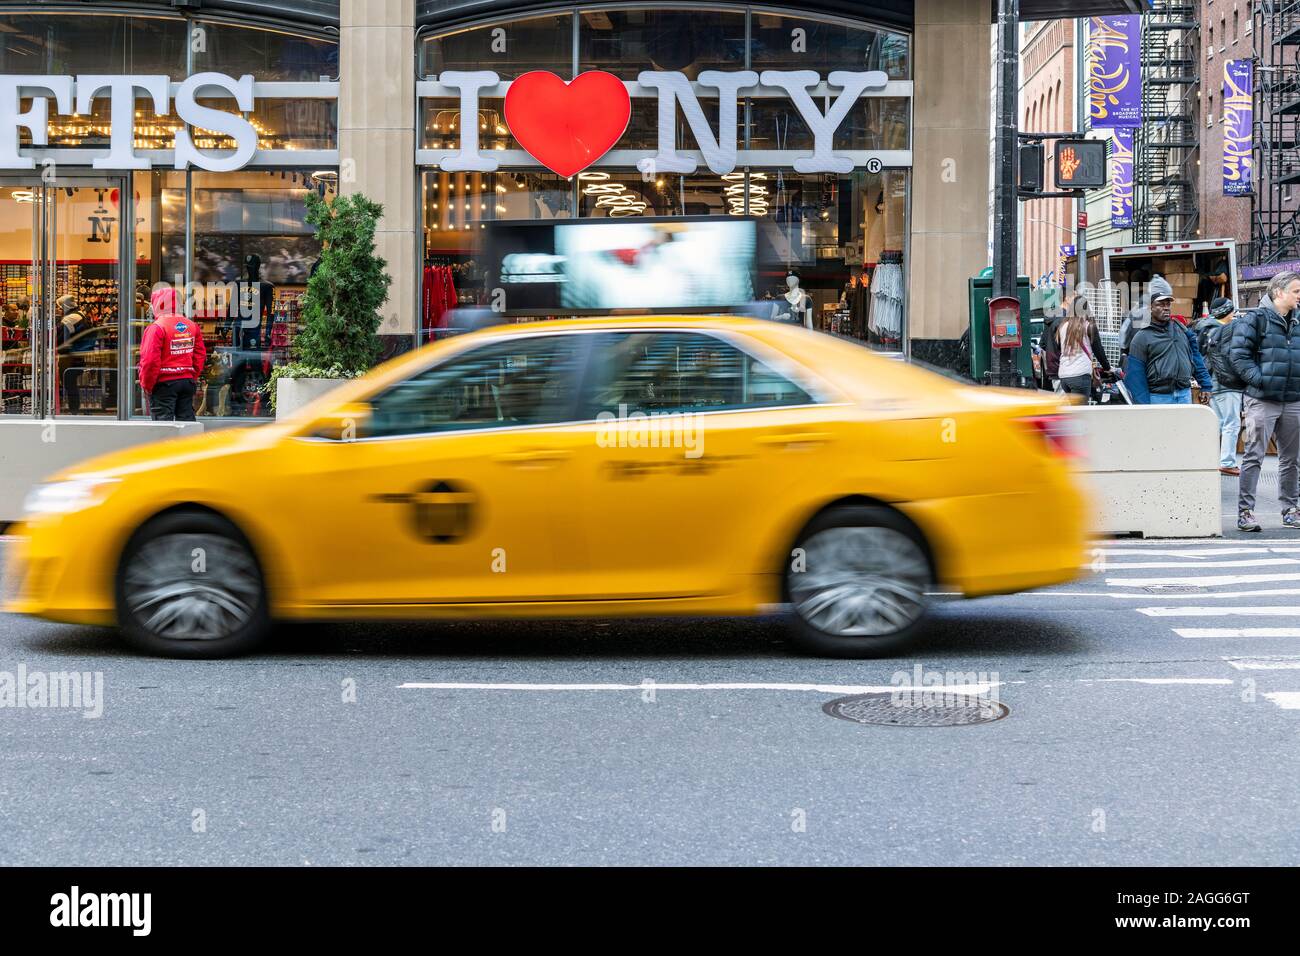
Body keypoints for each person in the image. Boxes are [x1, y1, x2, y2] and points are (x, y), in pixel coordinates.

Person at [1229, 271, 1300, 532]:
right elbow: (1238, 356)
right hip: (1262, 400)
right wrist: (1260, 380)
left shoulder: (1297, 320)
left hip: (1293, 399)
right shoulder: (1255, 319)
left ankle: (1290, 510)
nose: (1299, 295)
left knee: (1291, 459)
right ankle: (1245, 512)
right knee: (1254, 456)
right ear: (1278, 292)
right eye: (1296, 291)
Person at [1123, 275, 1212, 405]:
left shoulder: (1182, 330)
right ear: (1150, 307)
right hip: (1158, 397)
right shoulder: (1141, 337)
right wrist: (1144, 406)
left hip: (1184, 394)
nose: (1166, 307)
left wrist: (1206, 385)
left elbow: (1196, 358)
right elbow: (1135, 376)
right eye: (1160, 304)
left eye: (1168, 304)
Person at [1195, 297, 1246, 476]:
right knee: (1231, 423)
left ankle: (1206, 459)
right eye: (1231, 311)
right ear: (1225, 312)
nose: (1233, 315)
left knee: (1217, 423)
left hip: (1212, 382)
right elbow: (1227, 359)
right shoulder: (1221, 331)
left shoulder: (1204, 327)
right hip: (1226, 383)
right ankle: (1227, 462)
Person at [138, 285, 206, 422]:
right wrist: (192, 376)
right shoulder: (192, 326)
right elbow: (200, 355)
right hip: (186, 382)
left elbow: (150, 361)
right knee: (186, 424)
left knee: (163, 428)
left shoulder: (157, 328)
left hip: (164, 384)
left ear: (158, 304)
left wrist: (147, 385)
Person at [1054, 296, 1113, 399]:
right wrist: (1107, 368)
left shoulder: (1063, 326)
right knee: (1081, 412)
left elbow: (1059, 349)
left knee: (1074, 410)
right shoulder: (1088, 326)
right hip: (1080, 375)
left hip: (1064, 376)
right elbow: (1098, 351)